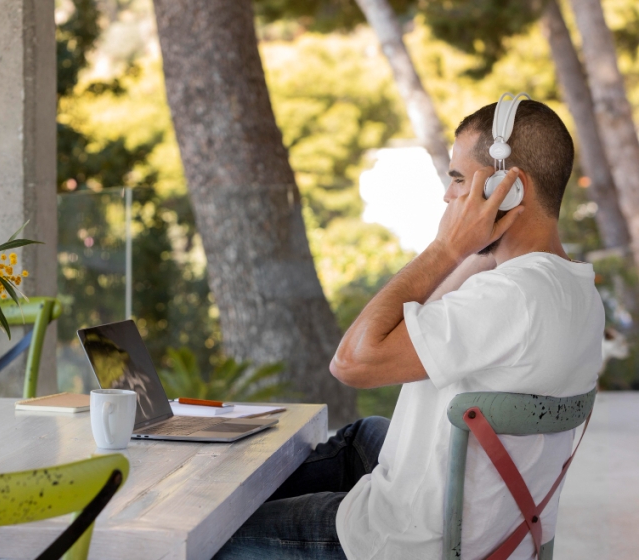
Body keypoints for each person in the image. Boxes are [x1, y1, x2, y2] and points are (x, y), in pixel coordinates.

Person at [213, 99, 604, 560]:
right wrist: (474, 250)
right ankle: (229, 496)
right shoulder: (573, 285)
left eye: (458, 178)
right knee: (365, 435)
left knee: (205, 538)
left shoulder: (510, 297)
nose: (448, 196)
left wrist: (444, 247)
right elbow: (419, 316)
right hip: (493, 521)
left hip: (406, 540)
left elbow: (352, 362)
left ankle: (215, 507)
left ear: (509, 188)